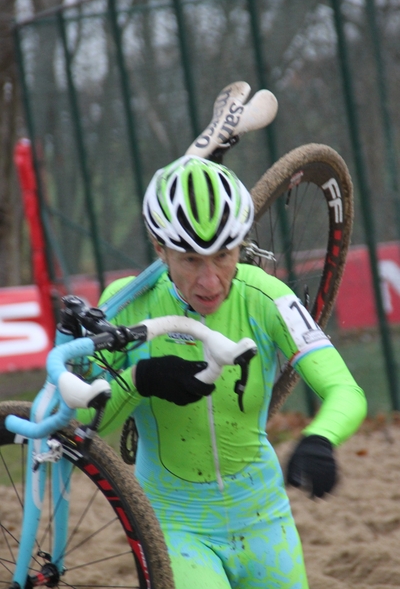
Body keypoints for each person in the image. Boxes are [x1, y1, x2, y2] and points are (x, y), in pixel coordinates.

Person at [79, 155, 367, 589]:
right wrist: (140, 380)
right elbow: (84, 424)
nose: (210, 281)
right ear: (160, 249)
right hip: (174, 526)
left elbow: (346, 390)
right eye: (191, 259)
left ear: (241, 246)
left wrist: (320, 439)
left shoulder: (266, 297)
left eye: (223, 256)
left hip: (265, 520)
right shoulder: (126, 303)